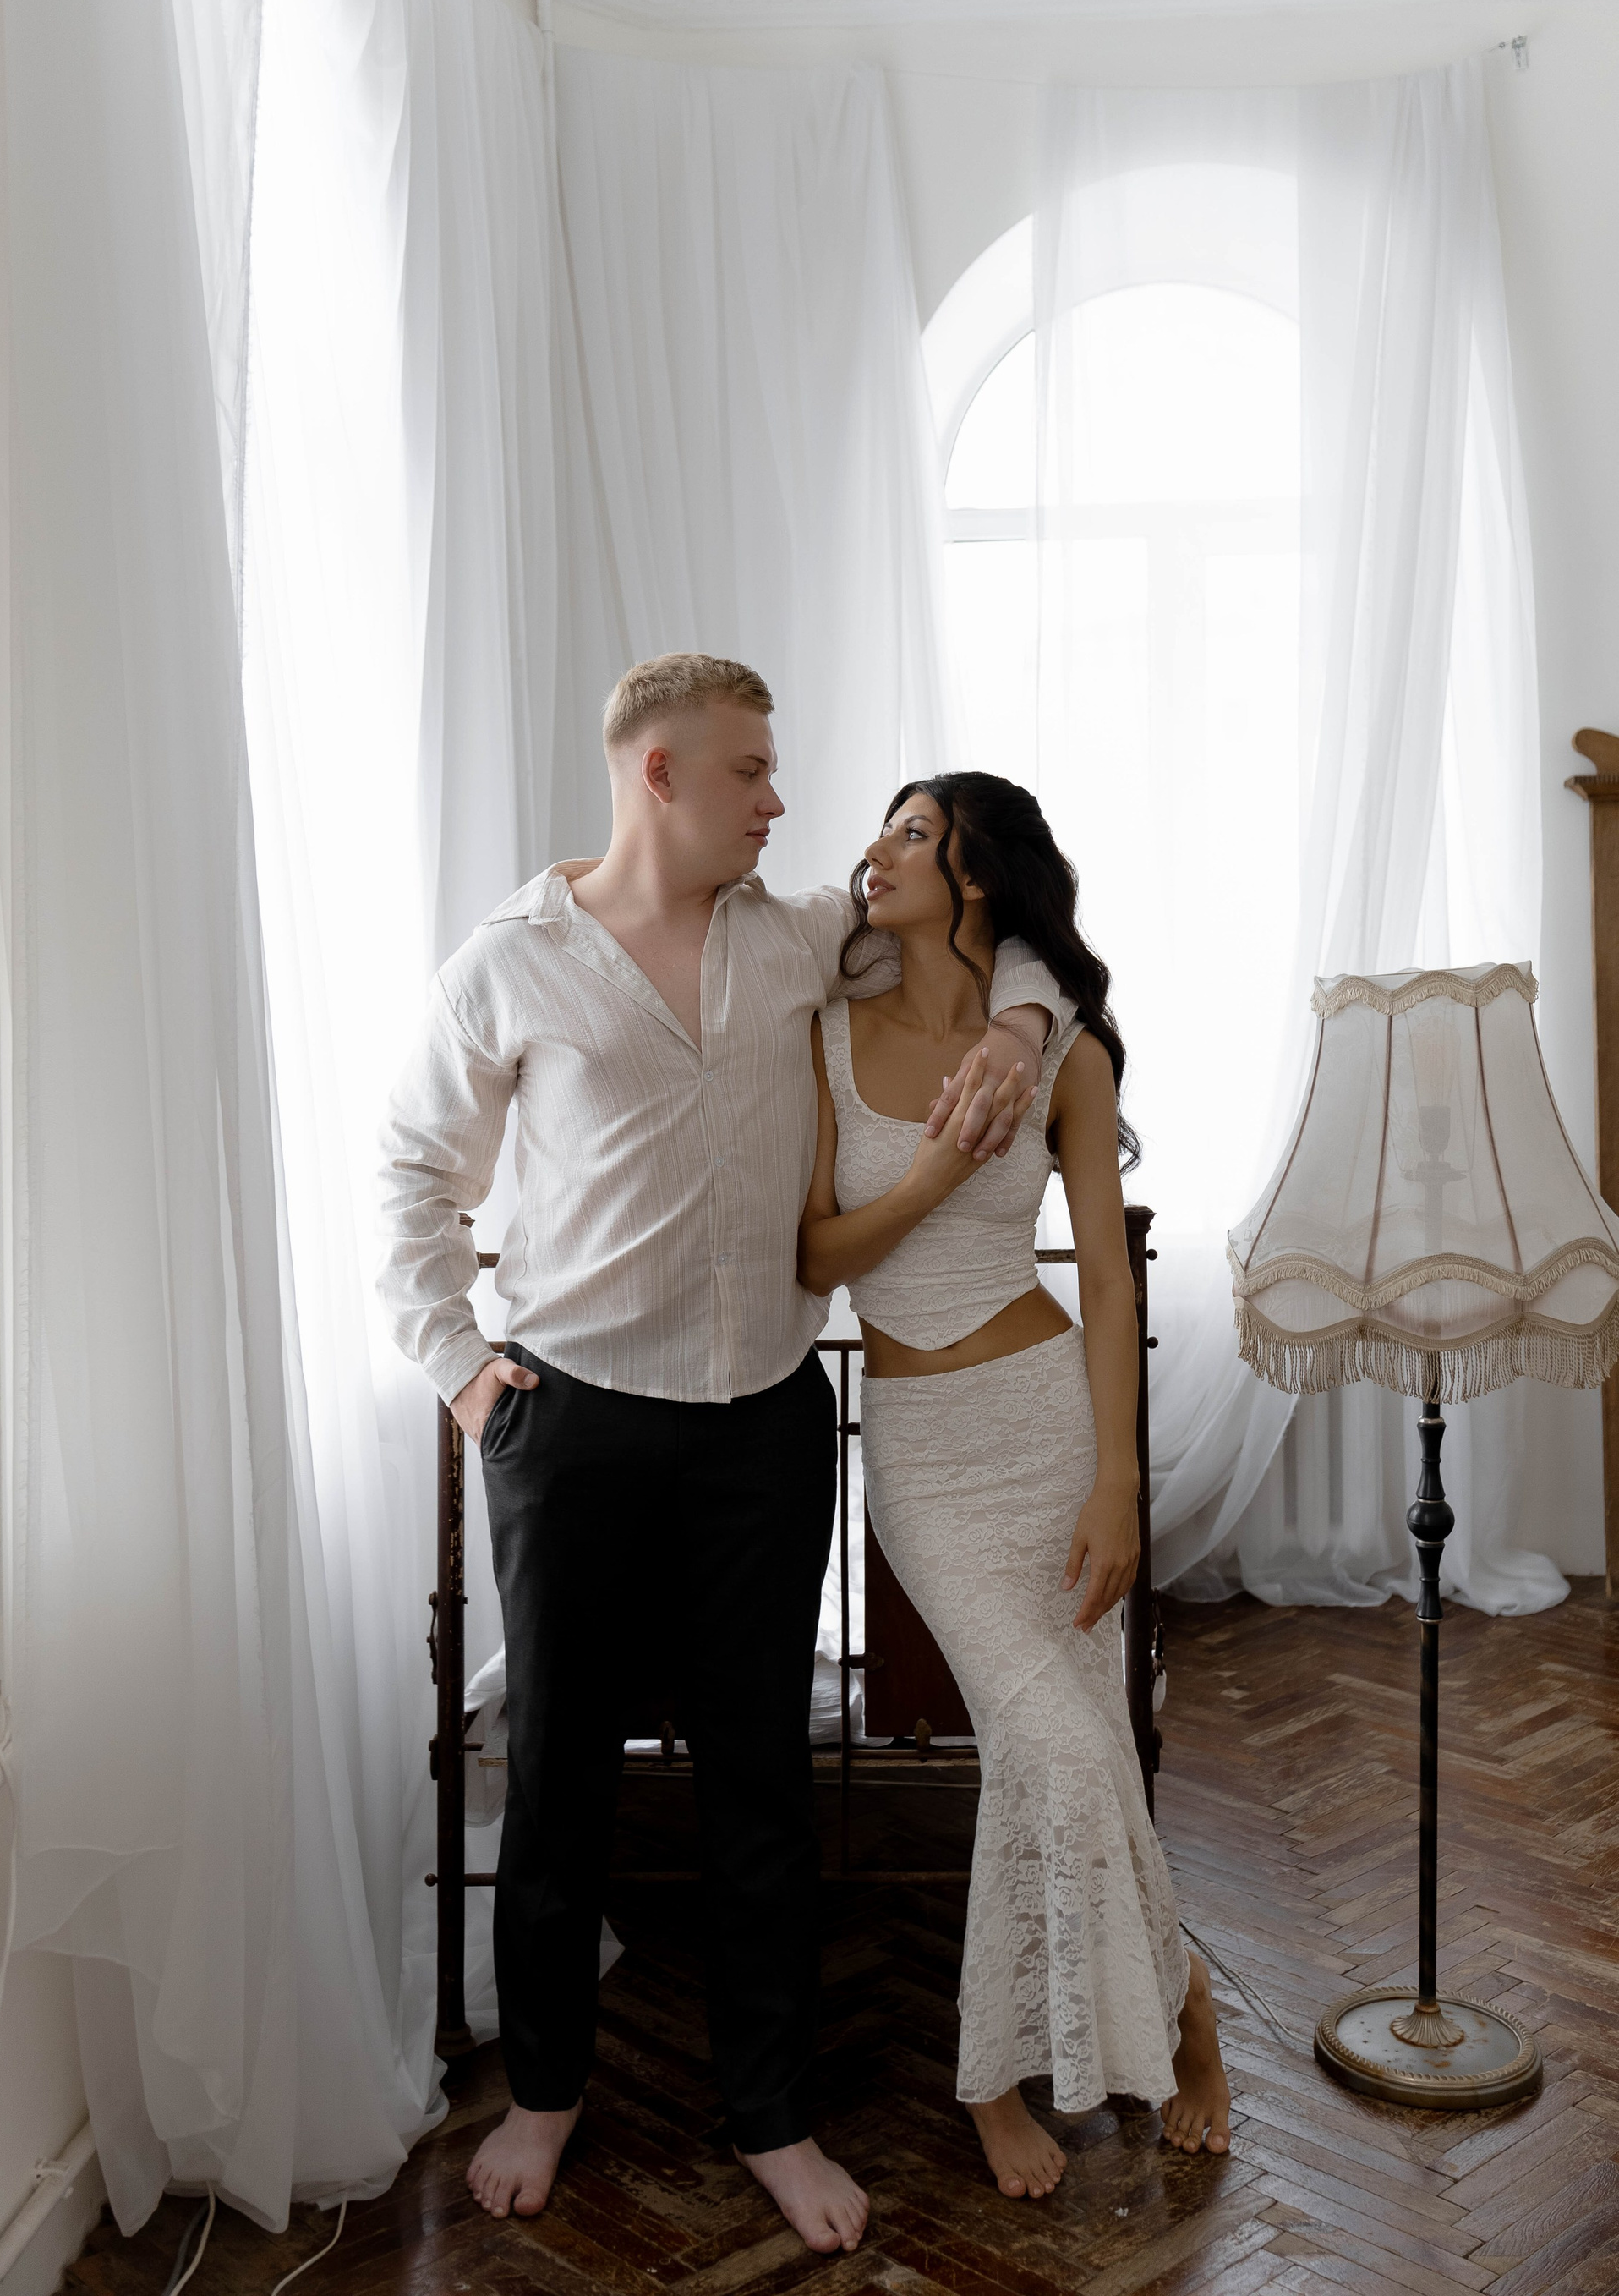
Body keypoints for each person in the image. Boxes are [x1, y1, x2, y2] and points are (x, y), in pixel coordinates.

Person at [375, 655, 1067, 2256]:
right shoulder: (508, 962)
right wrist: (464, 1376)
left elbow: (1004, 924)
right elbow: (410, 1175)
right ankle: (545, 2092)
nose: (778, 797)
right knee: (558, 1780)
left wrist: (1029, 1022)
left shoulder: (807, 934)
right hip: (568, 1425)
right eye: (750, 769)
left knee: (764, 1783)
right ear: (660, 775)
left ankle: (773, 2114)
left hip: (763, 1423)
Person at [797, 770, 1231, 2200]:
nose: (876, 851)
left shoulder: (1064, 1053)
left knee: (1079, 1744)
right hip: (925, 1459)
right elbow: (814, 1253)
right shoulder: (828, 1032)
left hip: (1047, 1429)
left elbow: (1107, 1279)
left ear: (977, 875)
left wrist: (1118, 1483)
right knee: (1052, 1740)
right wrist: (926, 1181)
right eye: (883, 828)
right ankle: (1168, 2007)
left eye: (912, 833)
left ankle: (1035, 2058)